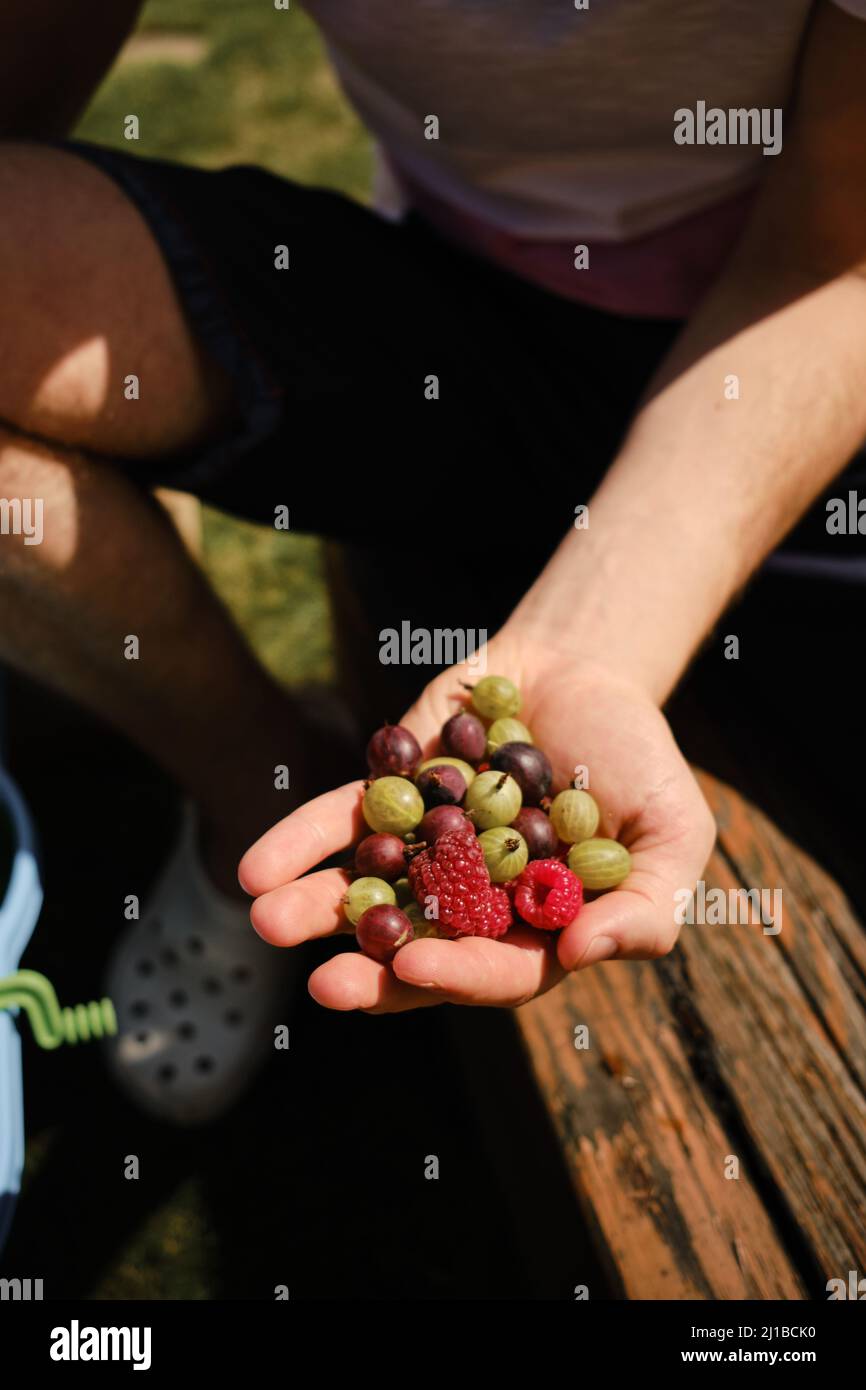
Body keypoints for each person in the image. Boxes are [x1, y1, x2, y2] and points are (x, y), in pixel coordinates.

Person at [1, 0, 865, 1122]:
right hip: (441, 300)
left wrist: (585, 645)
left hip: (782, 338)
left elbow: (838, 254)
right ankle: (247, 787)